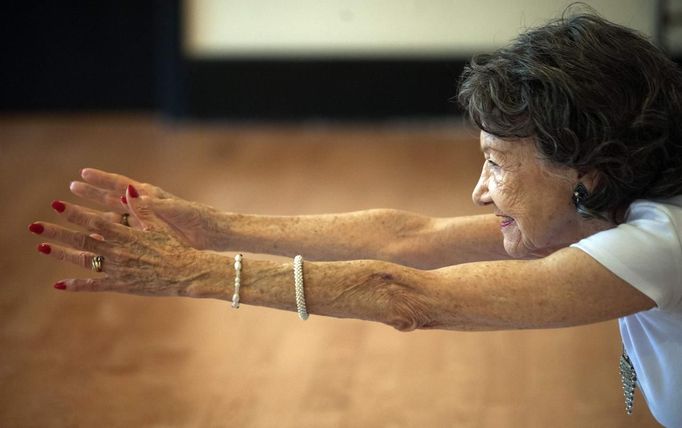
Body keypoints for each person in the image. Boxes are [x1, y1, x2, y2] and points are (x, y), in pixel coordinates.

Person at [29, 12, 681, 426]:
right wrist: (209, 225)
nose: (481, 192)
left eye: (497, 162)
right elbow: (406, 237)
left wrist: (188, 274)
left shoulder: (661, 244)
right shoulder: (618, 205)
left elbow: (405, 295)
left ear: (587, 171)